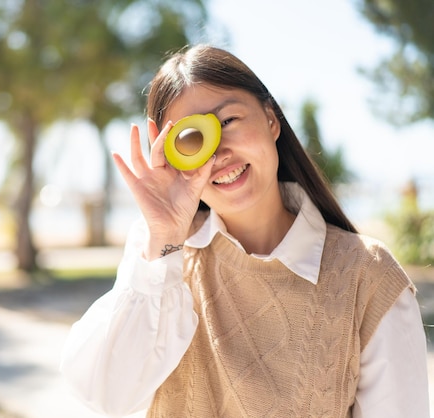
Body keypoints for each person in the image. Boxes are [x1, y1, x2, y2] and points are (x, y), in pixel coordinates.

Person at [60, 44, 430, 417]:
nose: (218, 152)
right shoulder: (161, 260)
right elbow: (104, 396)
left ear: (271, 119)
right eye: (192, 139)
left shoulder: (367, 277)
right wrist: (165, 241)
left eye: (228, 122)